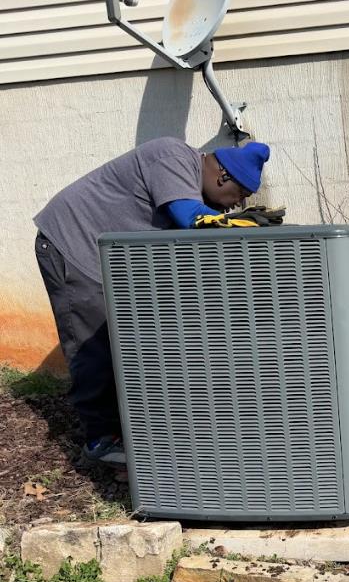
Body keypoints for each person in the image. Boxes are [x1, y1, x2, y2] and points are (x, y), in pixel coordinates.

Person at [33, 137, 271, 468]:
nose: (237, 205)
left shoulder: (190, 185)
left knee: (130, 345)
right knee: (94, 346)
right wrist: (235, 225)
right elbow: (190, 217)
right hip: (73, 245)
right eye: (240, 194)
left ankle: (133, 431)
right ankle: (100, 441)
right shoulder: (173, 156)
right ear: (222, 177)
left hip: (108, 260)